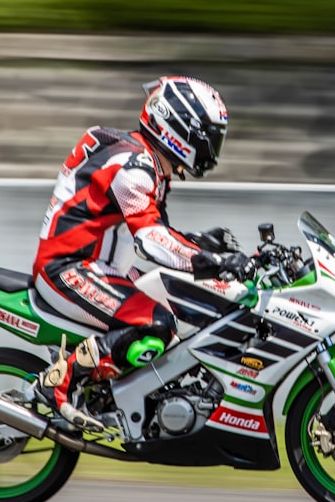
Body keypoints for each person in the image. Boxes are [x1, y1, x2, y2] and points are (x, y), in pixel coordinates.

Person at [32, 76, 253, 431]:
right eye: (208, 137)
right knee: (156, 325)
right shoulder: (135, 168)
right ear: (179, 128)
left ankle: (112, 394)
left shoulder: (144, 160)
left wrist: (203, 245)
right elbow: (150, 241)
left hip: (101, 267)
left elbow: (152, 227)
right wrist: (214, 263)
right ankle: (57, 383)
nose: (212, 147)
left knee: (182, 308)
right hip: (71, 268)